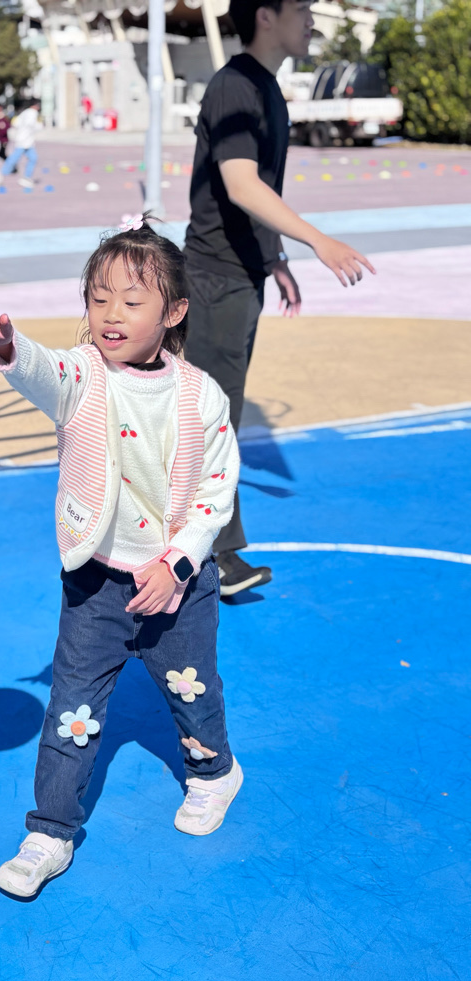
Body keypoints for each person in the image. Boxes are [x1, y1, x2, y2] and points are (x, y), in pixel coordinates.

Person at [0, 217, 243, 899]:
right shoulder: (82, 377)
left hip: (176, 586)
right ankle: (49, 832)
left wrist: (178, 564)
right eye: (98, 298)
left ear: (174, 313)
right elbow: (42, 370)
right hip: (96, 586)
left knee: (191, 692)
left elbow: (216, 492)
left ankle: (214, 772)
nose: (111, 314)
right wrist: (2, 343)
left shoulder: (201, 395)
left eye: (131, 301)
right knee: (71, 710)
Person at [183, 0, 376, 597]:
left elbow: (254, 190)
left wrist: (274, 258)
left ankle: (202, 547)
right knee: (212, 420)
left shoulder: (266, 88)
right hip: (214, 279)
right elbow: (241, 185)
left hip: (241, 275)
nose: (312, 20)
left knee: (218, 416)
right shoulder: (235, 87)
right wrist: (318, 240)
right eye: (301, 8)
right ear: (265, 15)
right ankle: (212, 554)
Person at [0, 99, 41, 189]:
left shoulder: (24, 112)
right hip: (25, 140)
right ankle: (1, 172)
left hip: (24, 140)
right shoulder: (32, 113)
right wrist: (39, 126)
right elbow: (31, 124)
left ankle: (26, 177)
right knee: (15, 158)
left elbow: (15, 123)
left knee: (33, 158)